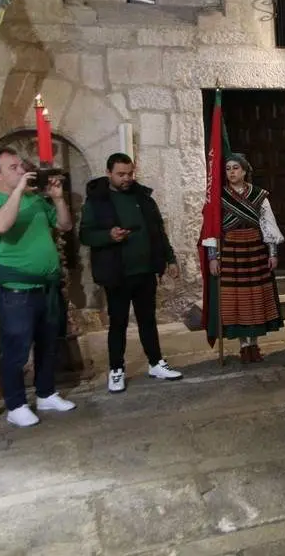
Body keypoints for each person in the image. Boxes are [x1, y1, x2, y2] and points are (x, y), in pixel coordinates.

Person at [0, 148, 76, 426]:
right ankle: (16, 404)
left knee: (48, 344)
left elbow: (65, 225)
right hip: (16, 290)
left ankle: (45, 393)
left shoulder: (35, 200)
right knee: (16, 348)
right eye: (13, 168)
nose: (21, 171)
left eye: (21, 166)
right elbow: (1, 225)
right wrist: (19, 191)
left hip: (47, 287)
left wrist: (57, 200)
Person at [80, 153, 183, 393]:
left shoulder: (143, 197)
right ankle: (116, 369)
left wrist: (170, 259)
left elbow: (158, 230)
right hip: (117, 272)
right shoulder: (97, 200)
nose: (126, 179)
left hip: (145, 271)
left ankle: (156, 362)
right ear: (109, 173)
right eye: (121, 174)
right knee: (118, 322)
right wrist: (109, 236)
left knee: (148, 320)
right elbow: (85, 235)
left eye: (130, 173)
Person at [203, 153, 285, 362]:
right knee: (236, 299)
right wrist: (213, 257)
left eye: (236, 168)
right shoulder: (218, 197)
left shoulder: (259, 195)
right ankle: (243, 345)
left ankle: (254, 344)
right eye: (228, 169)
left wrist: (272, 252)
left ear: (245, 171)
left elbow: (267, 224)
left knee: (255, 297)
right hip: (231, 253)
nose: (232, 172)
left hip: (255, 251)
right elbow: (211, 228)